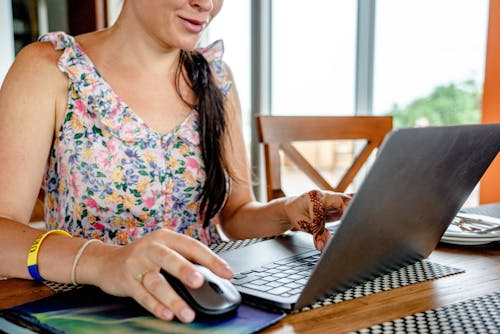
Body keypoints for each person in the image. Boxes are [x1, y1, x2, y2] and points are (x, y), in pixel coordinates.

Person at [0, 0, 351, 323]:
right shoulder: (50, 69)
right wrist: (106, 262)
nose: (208, 4)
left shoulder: (215, 76)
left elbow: (236, 215)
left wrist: (287, 211)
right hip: (92, 313)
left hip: (212, 307)